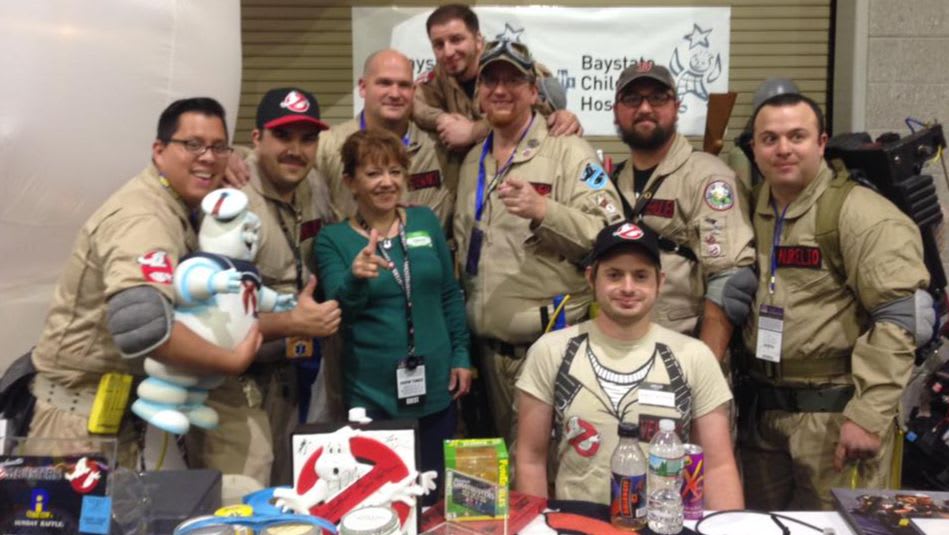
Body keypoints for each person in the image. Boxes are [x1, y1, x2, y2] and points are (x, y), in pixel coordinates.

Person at [27, 98, 262, 468]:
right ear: (159, 150)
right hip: (77, 426)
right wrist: (229, 361)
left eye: (218, 147)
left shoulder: (179, 205)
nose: (207, 157)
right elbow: (142, 327)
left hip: (119, 418)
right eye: (193, 144)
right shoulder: (144, 217)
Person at [738, 93, 930, 510]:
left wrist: (868, 416)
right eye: (769, 139)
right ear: (754, 148)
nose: (783, 149)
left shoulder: (863, 215)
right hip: (761, 418)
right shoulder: (748, 210)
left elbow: (899, 319)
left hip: (835, 417)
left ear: (821, 142)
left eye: (797, 136)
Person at [454, 41, 623, 444]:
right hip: (485, 361)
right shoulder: (473, 161)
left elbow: (612, 233)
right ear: (479, 94)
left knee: (552, 467)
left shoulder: (570, 151)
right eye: (490, 80)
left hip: (549, 353)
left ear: (533, 91)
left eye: (513, 80)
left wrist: (545, 211)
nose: (500, 89)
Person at [515, 221, 744, 508]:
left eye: (640, 276)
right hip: (578, 521)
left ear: (660, 281)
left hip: (664, 521)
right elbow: (530, 459)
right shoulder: (551, 351)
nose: (627, 287)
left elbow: (717, 466)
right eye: (614, 275)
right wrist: (539, 524)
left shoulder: (693, 356)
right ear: (591, 278)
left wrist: (728, 524)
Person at [185, 88, 341, 486]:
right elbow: (211, 320)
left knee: (293, 486)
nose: (296, 150)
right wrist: (292, 322)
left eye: (307, 139)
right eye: (283, 136)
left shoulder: (314, 185)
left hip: (294, 372)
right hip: (236, 381)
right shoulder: (230, 199)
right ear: (256, 139)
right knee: (243, 489)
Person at [314, 128, 470, 487]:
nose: (387, 182)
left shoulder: (425, 222)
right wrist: (355, 278)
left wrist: (461, 354)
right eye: (373, 173)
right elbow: (339, 313)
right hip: (372, 395)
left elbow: (449, 293)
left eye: (395, 171)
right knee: (379, 494)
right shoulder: (333, 240)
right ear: (350, 182)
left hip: (435, 384)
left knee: (433, 490)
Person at [610, 60, 754, 363]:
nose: (645, 108)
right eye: (632, 99)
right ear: (616, 110)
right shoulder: (612, 180)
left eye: (657, 98)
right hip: (619, 354)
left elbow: (729, 283)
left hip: (682, 355)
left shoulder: (708, 178)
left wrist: (703, 371)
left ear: (676, 107)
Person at [415, 4, 582, 153]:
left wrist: (474, 131)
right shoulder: (440, 75)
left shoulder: (508, 63)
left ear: (478, 39)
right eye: (439, 44)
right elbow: (413, 103)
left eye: (456, 40)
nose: (448, 52)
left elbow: (537, 115)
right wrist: (441, 119)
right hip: (476, 168)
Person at [317, 49, 454, 229]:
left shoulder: (439, 148)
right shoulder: (327, 147)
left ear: (414, 91)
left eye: (404, 85)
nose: (395, 94)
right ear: (363, 87)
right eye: (384, 83)